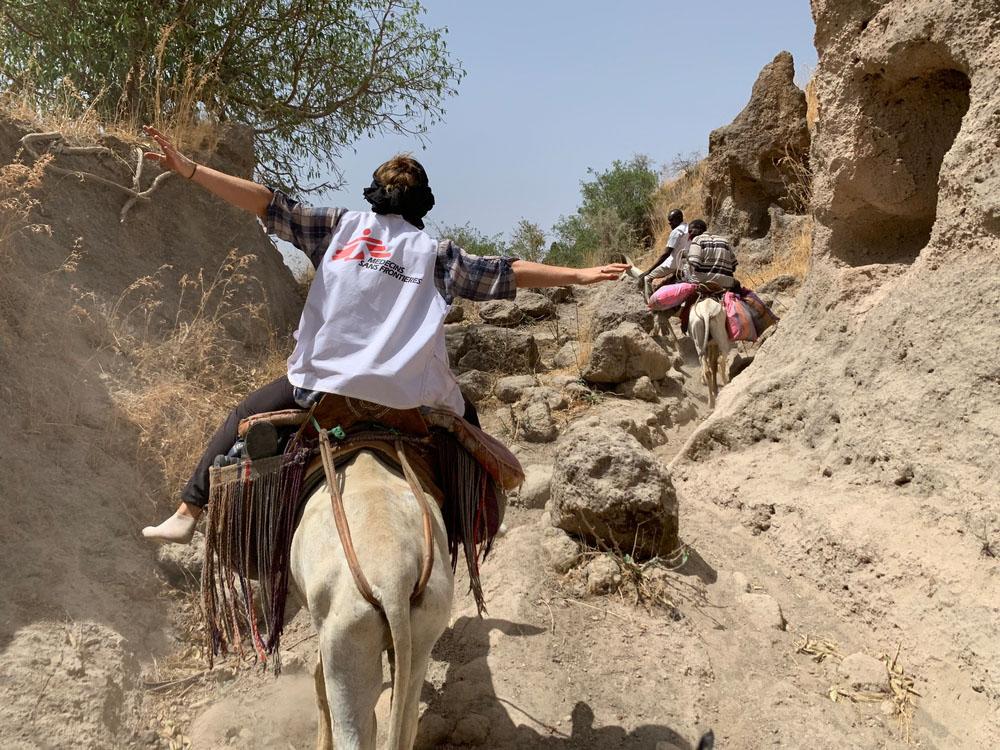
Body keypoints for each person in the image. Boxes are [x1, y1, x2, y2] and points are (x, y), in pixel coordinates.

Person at [139, 126, 628, 544]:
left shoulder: (335, 227)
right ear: (422, 204)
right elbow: (508, 271)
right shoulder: (437, 255)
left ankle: (187, 514)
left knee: (243, 414)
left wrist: (191, 170)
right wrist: (582, 276)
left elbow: (267, 203)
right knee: (469, 427)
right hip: (409, 397)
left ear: (373, 193)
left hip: (320, 387)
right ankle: (472, 523)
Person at [638, 208, 688, 299]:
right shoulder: (689, 228)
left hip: (673, 264)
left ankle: (649, 303)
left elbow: (666, 254)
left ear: (678, 219)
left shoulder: (676, 231)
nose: (669, 223)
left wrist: (649, 270)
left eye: (671, 220)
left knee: (647, 278)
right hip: (685, 264)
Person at [680, 219, 738, 290]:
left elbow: (694, 263)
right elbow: (734, 267)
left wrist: (686, 255)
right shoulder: (724, 241)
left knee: (685, 268)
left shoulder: (697, 240)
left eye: (690, 231)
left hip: (703, 282)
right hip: (727, 284)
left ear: (699, 228)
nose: (689, 235)